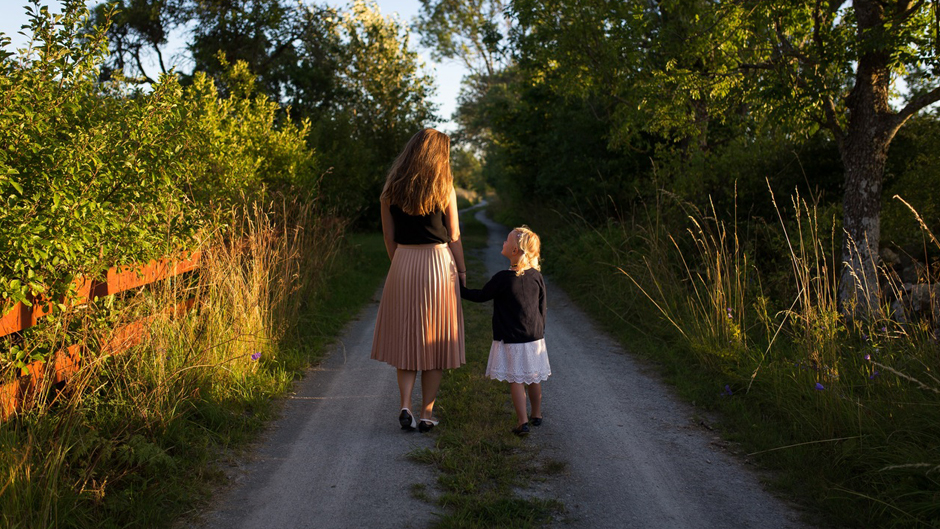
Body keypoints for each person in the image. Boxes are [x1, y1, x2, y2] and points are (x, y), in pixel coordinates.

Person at [371, 128, 466, 433]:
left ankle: (405, 406)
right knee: (434, 341)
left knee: (407, 339)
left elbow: (388, 236)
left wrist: (399, 262)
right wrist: (462, 272)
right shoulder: (444, 187)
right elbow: (453, 236)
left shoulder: (390, 189)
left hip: (403, 262)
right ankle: (426, 413)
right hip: (437, 263)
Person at [460, 226, 550, 436]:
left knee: (516, 379)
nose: (503, 242)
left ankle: (522, 422)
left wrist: (458, 289)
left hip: (512, 338)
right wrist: (540, 331)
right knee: (534, 377)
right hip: (534, 337)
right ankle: (537, 415)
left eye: (506, 241)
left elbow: (481, 295)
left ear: (515, 251)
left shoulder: (502, 278)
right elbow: (542, 306)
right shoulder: (536, 276)